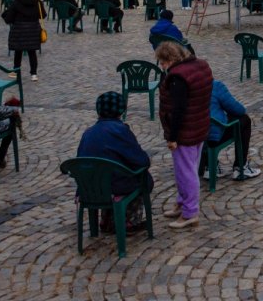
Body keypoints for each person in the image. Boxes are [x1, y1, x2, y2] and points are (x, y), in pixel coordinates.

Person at [155, 40, 213, 229]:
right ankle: (182, 203)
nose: (162, 67)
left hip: (185, 131)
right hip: (200, 124)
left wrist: (172, 137)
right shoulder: (201, 66)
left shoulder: (177, 77)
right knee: (188, 169)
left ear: (170, 59)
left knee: (186, 172)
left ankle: (190, 212)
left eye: (162, 63)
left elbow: (178, 108)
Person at [77, 92, 153, 232]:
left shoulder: (88, 133)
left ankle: (107, 219)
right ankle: (128, 222)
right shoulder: (121, 130)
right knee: (143, 178)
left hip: (88, 188)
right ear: (121, 110)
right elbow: (141, 161)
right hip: (113, 187)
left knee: (109, 175)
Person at [203, 79, 260, 181]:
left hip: (194, 138)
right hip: (213, 136)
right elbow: (238, 109)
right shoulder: (215, 86)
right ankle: (240, 167)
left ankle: (210, 166)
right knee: (244, 120)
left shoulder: (185, 89)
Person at [2, 0, 45, 82]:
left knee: (18, 53)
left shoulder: (16, 2)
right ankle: (34, 74)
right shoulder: (37, 2)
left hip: (19, 30)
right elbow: (43, 15)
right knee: (32, 53)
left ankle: (15, 74)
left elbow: (8, 19)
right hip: (33, 30)